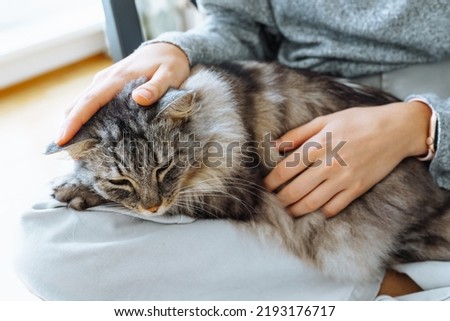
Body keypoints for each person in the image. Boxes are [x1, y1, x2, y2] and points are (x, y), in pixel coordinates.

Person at [15, 0, 450, 300]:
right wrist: (176, 49)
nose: (151, 205)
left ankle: (348, 284)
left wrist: (425, 126)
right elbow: (236, 27)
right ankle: (390, 283)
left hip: (433, 112)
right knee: (47, 243)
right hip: (304, 89)